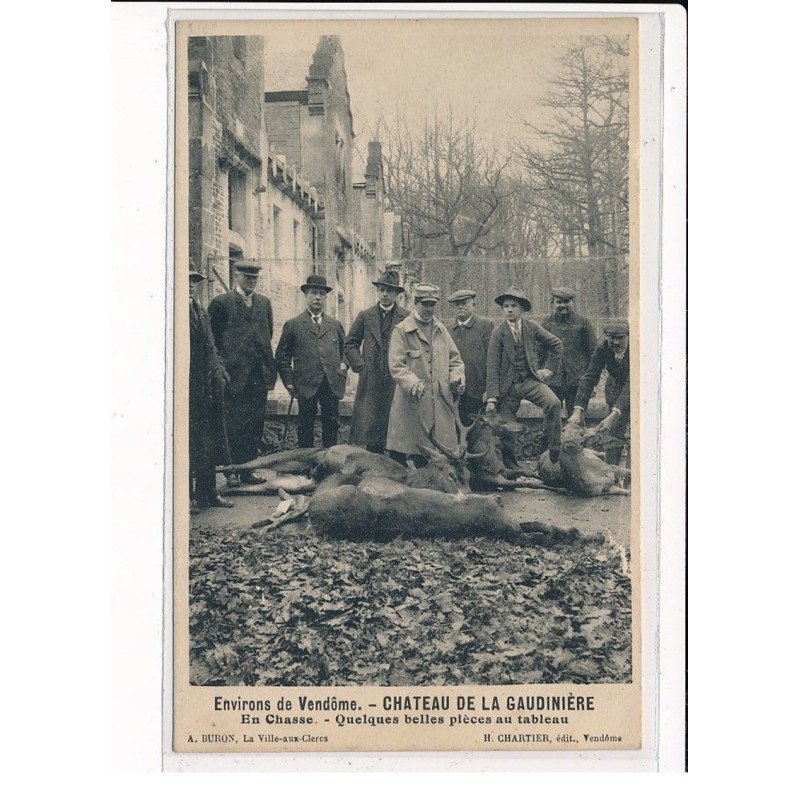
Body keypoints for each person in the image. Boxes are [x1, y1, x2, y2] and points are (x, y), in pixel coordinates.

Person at [208, 260, 277, 487]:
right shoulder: (221, 303)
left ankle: (249, 469)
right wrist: (221, 371)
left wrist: (269, 371)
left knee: (253, 424)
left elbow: (268, 335)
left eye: (254, 278)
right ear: (236, 276)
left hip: (257, 377)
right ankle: (231, 471)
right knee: (232, 423)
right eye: (246, 277)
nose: (250, 281)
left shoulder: (264, 304)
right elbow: (213, 342)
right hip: (232, 377)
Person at [385, 284, 465, 467]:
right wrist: (413, 383)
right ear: (415, 302)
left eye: (433, 304)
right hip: (411, 404)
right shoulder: (401, 330)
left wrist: (456, 378)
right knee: (402, 454)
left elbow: (455, 360)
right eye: (425, 304)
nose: (429, 309)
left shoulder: (441, 330)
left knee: (433, 460)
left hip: (439, 403)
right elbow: (396, 365)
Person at [484, 286, 564, 462]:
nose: (510, 309)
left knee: (554, 403)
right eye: (506, 306)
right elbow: (492, 367)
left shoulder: (531, 327)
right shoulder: (498, 333)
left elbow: (557, 345)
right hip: (508, 387)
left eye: (514, 305)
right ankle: (511, 468)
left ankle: (554, 450)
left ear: (521, 308)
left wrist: (549, 370)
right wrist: (492, 398)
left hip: (529, 381)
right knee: (507, 429)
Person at [275, 274, 348, 448]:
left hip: (331, 383)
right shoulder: (293, 325)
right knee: (305, 425)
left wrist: (344, 365)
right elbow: (282, 356)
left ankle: (330, 464)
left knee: (331, 424)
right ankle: (306, 467)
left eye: (322, 294)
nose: (318, 297)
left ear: (325, 298)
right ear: (306, 295)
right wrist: (289, 382)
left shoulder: (335, 325)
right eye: (313, 293)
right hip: (305, 384)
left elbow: (346, 350)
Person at [344, 267, 409, 453]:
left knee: (396, 429)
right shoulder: (365, 316)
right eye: (381, 290)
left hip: (395, 381)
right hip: (371, 380)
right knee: (372, 434)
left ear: (396, 294)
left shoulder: (406, 318)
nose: (385, 294)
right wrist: (361, 367)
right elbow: (350, 344)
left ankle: (396, 465)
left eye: (389, 290)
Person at [188, 269, 233, 511]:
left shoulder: (200, 311)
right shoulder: (170, 311)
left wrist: (220, 372)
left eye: (194, 281)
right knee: (186, 443)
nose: (191, 286)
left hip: (207, 388)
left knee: (208, 442)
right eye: (185, 281)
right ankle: (187, 496)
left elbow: (211, 347)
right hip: (186, 389)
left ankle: (208, 492)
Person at [568, 319, 630, 465]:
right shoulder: (603, 348)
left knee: (636, 434)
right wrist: (578, 410)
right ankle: (611, 474)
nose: (614, 342)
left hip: (639, 389)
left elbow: (631, 385)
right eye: (610, 337)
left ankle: (633, 479)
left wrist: (614, 414)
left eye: (620, 337)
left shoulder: (639, 347)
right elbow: (590, 377)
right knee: (614, 435)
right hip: (615, 389)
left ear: (629, 335)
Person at [540, 287, 598, 417]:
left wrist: (592, 382)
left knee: (577, 418)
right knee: (550, 416)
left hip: (577, 380)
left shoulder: (583, 323)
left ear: (573, 303)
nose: (563, 305)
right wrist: (540, 374)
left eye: (567, 302)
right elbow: (539, 351)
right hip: (552, 379)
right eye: (559, 302)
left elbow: (593, 352)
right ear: (552, 303)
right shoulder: (546, 323)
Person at [447, 288, 494, 424]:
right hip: (455, 394)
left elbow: (493, 361)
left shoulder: (485, 326)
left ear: (473, 305)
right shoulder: (448, 329)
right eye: (457, 304)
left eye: (464, 303)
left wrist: (490, 391)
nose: (460, 307)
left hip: (479, 393)